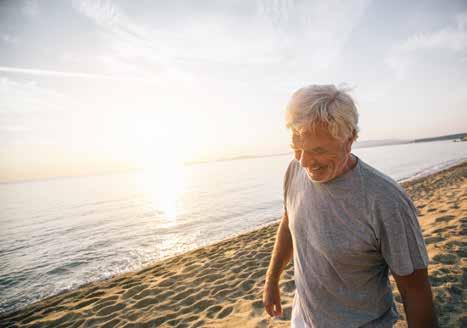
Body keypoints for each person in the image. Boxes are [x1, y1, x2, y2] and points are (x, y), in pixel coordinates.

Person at [263, 84, 438, 327]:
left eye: (318, 150)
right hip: (303, 318)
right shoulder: (294, 171)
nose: (304, 162)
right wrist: (272, 280)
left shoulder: (386, 201)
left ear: (350, 139)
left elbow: (416, 292)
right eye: (297, 149)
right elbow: (288, 221)